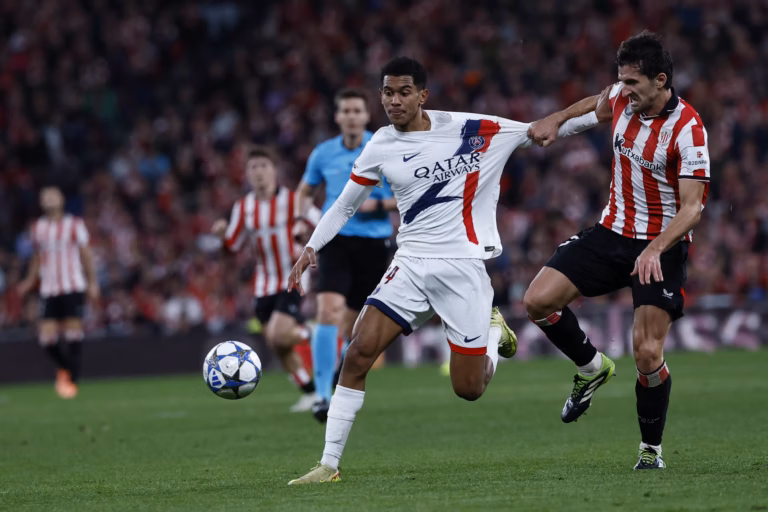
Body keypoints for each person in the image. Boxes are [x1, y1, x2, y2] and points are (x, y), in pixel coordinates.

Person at [286, 57, 601, 484]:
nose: (393, 101)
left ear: (422, 95)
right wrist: (311, 247)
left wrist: (599, 108)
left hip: (463, 268)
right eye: (387, 92)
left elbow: (547, 130)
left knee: (468, 389)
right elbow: (344, 204)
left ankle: (492, 333)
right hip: (410, 264)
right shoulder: (379, 143)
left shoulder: (474, 129)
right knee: (358, 352)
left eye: (402, 92)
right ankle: (328, 465)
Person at [525, 31, 709, 470]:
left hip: (661, 247)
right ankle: (591, 367)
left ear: (660, 80)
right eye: (621, 81)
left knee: (647, 353)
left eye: (632, 83)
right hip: (611, 233)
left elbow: (693, 208)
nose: (623, 91)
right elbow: (596, 101)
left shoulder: (689, 129)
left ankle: (651, 451)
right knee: (537, 301)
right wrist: (554, 118)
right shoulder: (624, 99)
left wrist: (655, 248)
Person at [293, 88, 398, 421]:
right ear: (337, 117)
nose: (352, 116)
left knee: (354, 325)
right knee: (328, 311)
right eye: (346, 111)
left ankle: (339, 371)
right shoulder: (323, 153)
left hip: (374, 243)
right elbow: (305, 190)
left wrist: (377, 205)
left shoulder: (384, 147)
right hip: (335, 240)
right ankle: (322, 397)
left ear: (366, 116)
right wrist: (300, 219)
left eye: (357, 110)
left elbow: (410, 191)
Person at [212, 147, 321, 413]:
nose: (259, 171)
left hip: (293, 278)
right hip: (263, 284)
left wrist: (308, 240)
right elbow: (233, 247)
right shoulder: (244, 207)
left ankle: (316, 333)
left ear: (274, 170)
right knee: (276, 343)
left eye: (263, 165)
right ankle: (309, 392)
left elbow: (324, 224)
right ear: (247, 174)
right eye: (253, 167)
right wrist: (221, 236)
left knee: (278, 334)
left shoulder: (295, 200)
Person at [18, 186, 100, 399]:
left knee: (73, 332)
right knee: (46, 338)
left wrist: (92, 282)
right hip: (49, 287)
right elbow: (37, 256)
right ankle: (67, 369)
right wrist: (29, 279)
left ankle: (72, 380)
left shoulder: (75, 224)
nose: (49, 199)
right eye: (45, 196)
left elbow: (86, 254)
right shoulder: (38, 227)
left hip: (72, 284)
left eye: (52, 195)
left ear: (62, 199)